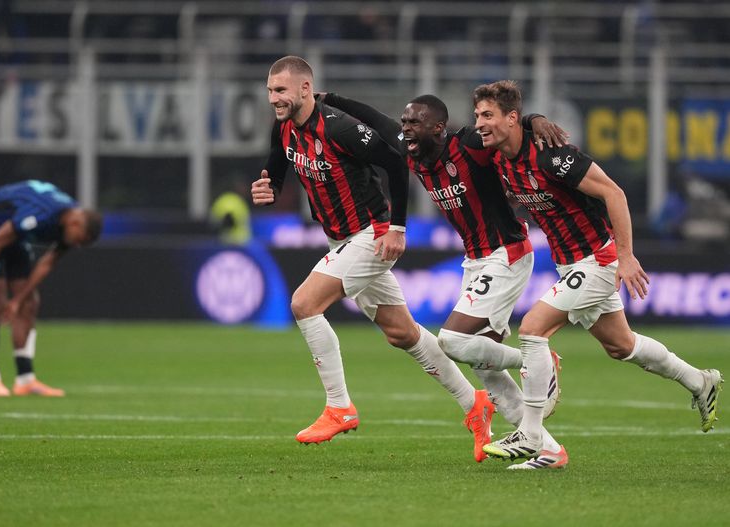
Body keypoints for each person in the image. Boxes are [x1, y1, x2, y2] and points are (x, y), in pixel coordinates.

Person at [472, 80, 723, 463]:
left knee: (533, 329)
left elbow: (614, 193)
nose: (479, 124)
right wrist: (535, 118)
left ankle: (531, 434)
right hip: (569, 264)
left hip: (597, 260)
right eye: (477, 116)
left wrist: (626, 256)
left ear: (511, 118)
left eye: (487, 115)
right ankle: (699, 380)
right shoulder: (501, 158)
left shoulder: (553, 156)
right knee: (621, 345)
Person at [253, 55, 494, 446]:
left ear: (304, 89)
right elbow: (276, 168)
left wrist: (397, 227)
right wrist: (270, 188)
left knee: (304, 304)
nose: (273, 98)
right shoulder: (283, 129)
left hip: (371, 235)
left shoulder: (339, 127)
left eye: (280, 90)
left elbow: (396, 162)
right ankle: (475, 402)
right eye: (269, 91)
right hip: (340, 238)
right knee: (402, 333)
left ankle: (339, 407)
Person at [321, 91, 569, 468]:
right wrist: (332, 99)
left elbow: (505, 132)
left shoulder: (468, 144)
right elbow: (373, 117)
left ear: (439, 128)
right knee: (486, 368)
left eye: (414, 122)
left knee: (452, 340)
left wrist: (533, 119)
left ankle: (538, 360)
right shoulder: (411, 148)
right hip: (476, 260)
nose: (405, 129)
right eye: (404, 123)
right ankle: (549, 449)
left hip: (507, 253)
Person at [0, 180, 102, 397]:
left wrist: (18, 299)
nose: (76, 245)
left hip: (16, 236)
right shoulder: (41, 215)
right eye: (79, 240)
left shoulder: (69, 224)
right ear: (75, 224)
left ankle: (25, 380)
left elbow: (46, 263)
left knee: (30, 303)